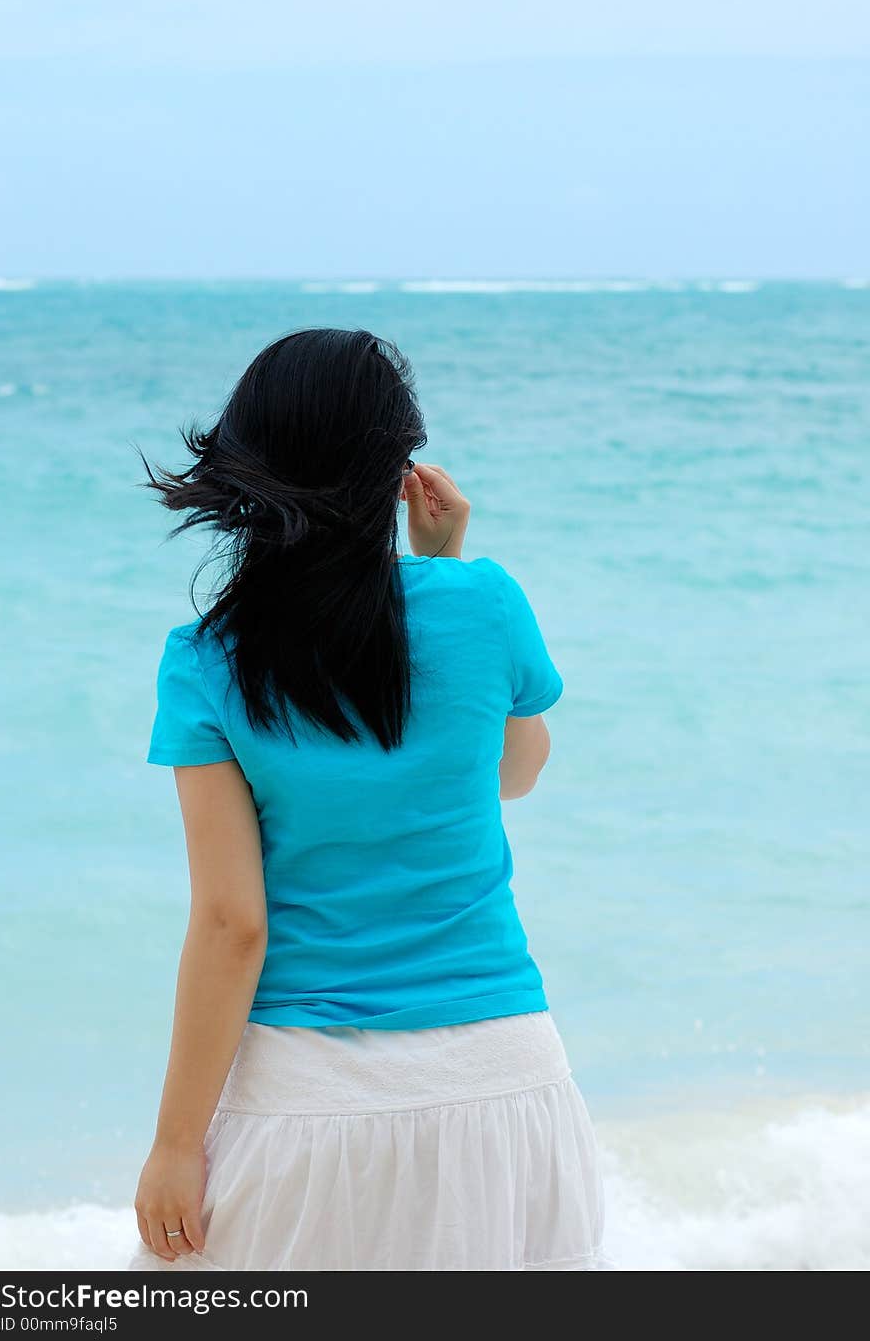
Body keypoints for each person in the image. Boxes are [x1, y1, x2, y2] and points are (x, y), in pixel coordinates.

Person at [129, 328, 606, 1272]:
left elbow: (233, 924)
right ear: (398, 473)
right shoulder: (484, 602)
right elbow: (516, 772)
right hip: (506, 1087)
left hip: (309, 1109)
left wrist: (177, 1146)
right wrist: (448, 564)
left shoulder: (207, 660)